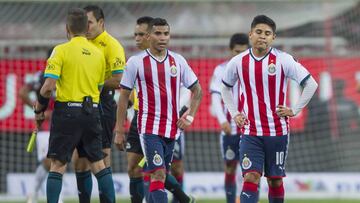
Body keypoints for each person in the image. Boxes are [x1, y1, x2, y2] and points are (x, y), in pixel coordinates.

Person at [221, 15, 318, 203]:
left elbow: (311, 84)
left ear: (273, 37)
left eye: (267, 33)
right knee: (250, 177)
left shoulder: (283, 60)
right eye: (258, 32)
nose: (262, 36)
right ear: (250, 34)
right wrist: (234, 113)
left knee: (274, 180)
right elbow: (225, 87)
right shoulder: (238, 62)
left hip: (277, 131)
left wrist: (295, 110)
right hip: (250, 132)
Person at [115, 18, 202, 203]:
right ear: (149, 36)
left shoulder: (178, 61)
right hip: (148, 127)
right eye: (158, 33)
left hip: (172, 129)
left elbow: (197, 90)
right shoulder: (136, 62)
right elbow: (123, 97)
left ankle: (182, 198)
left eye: (166, 33)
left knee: (161, 175)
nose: (162, 37)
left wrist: (190, 117)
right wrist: (119, 129)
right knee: (158, 173)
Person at [33, 8, 115, 203]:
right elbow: (99, 86)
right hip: (92, 112)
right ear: (87, 27)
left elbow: (47, 87)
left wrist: (39, 109)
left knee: (57, 165)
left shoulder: (60, 50)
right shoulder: (98, 54)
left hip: (67, 113)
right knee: (99, 165)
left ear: (67, 28)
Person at [72, 5, 125, 203]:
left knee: (102, 158)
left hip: (102, 103)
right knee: (79, 161)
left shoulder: (112, 46)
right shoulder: (80, 43)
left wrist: (94, 83)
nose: (86, 27)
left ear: (101, 23)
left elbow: (120, 79)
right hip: (80, 103)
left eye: (90, 22)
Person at [209, 33, 249, 203]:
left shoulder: (254, 69)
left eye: (243, 51)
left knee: (251, 171)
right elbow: (215, 97)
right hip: (230, 128)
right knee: (230, 167)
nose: (239, 55)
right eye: (236, 51)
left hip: (251, 129)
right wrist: (222, 120)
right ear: (230, 50)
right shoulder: (221, 70)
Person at [19, 51, 63, 203]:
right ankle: (33, 193)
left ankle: (52, 196)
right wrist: (38, 108)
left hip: (64, 124)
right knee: (49, 160)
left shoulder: (67, 74)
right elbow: (23, 92)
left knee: (59, 160)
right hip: (46, 126)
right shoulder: (42, 75)